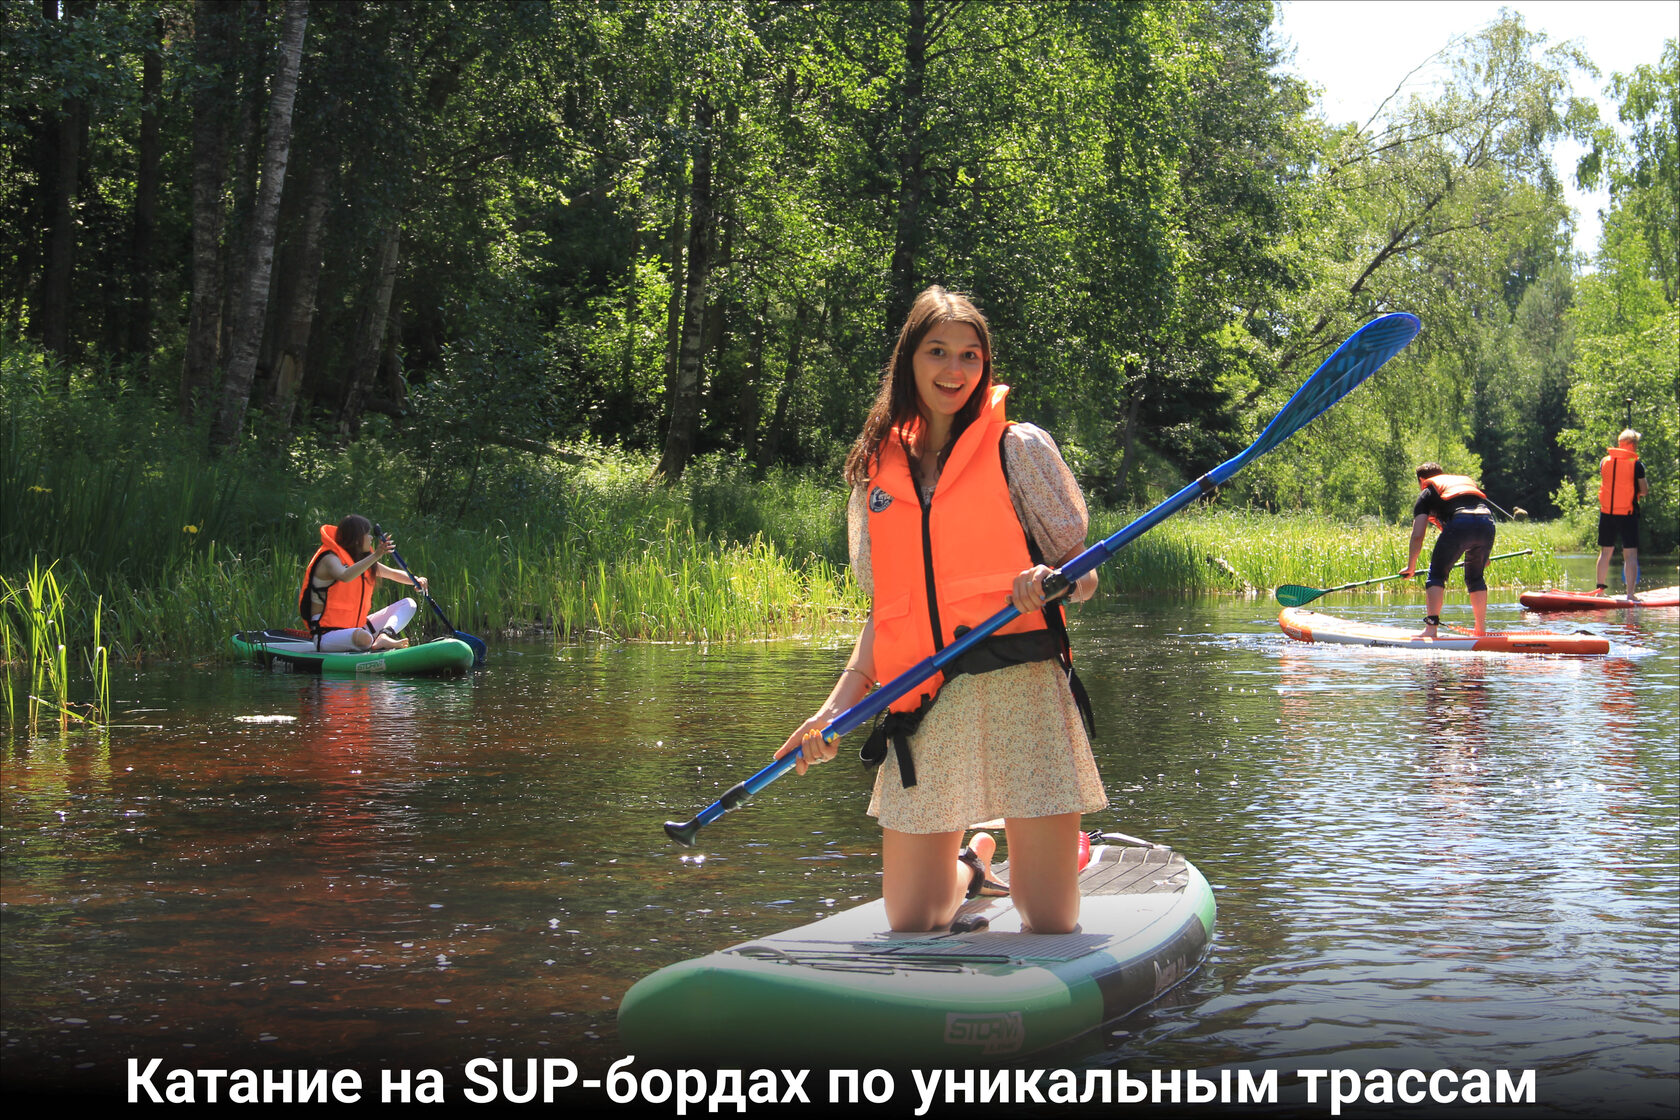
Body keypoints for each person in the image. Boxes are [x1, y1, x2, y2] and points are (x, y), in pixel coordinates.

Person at [774, 286, 1106, 935]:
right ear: (909, 360)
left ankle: (1017, 860)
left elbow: (1084, 573)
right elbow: (886, 612)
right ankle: (975, 865)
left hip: (1022, 687)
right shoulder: (877, 473)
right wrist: (831, 710)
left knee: (1048, 918)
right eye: (937, 352)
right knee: (912, 917)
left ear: (985, 366)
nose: (954, 371)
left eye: (969, 356)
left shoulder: (1020, 449)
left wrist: (1054, 581)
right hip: (925, 699)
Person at [299, 515, 429, 652]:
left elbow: (392, 574)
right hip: (327, 635)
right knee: (364, 638)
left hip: (357, 629)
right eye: (367, 534)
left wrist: (416, 580)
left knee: (409, 604)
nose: (371, 538)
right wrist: (376, 555)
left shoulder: (361, 561)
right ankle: (371, 641)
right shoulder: (329, 559)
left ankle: (384, 636)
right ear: (356, 539)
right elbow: (345, 576)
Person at [1400, 463, 1497, 639]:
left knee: (1436, 574)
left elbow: (1417, 535)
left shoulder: (1427, 492)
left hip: (1462, 522)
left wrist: (1410, 566)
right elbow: (1474, 515)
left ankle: (1431, 629)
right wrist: (1484, 555)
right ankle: (1480, 630)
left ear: (1422, 480)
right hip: (1487, 521)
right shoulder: (1460, 484)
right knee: (1475, 577)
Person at [1595, 429, 1648, 594]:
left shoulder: (1604, 461)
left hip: (1607, 513)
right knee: (1630, 554)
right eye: (1636, 444)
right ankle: (1630, 595)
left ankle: (1600, 591)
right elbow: (1644, 490)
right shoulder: (1637, 465)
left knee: (1605, 552)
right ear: (1632, 445)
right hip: (1627, 514)